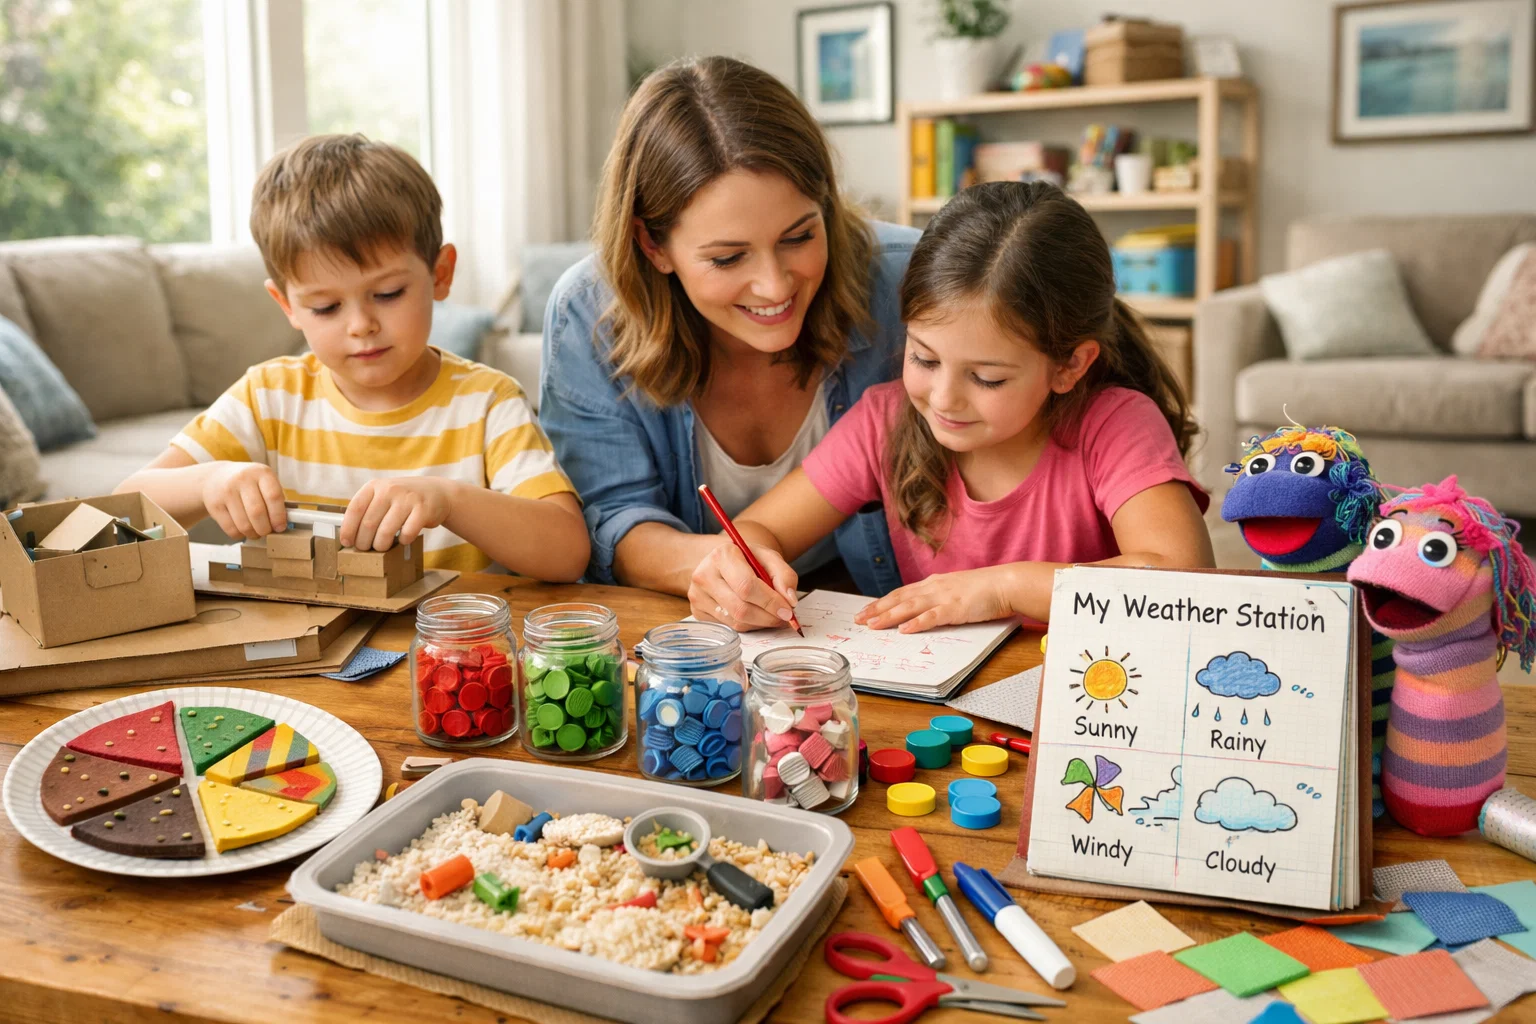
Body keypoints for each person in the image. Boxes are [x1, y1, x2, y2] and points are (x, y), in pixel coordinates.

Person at [687, 181, 1215, 632]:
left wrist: (1005, 588)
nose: (942, 399)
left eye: (987, 378)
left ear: (1069, 366)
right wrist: (745, 567)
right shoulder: (885, 421)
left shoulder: (1115, 425)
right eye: (924, 358)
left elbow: (1182, 579)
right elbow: (760, 530)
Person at [117, 134, 590, 581]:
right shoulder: (267, 398)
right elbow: (119, 506)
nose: (360, 324)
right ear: (287, 306)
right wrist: (208, 482)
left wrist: (450, 501)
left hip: (447, 654)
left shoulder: (488, 402)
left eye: (387, 293)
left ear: (441, 273)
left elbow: (567, 553)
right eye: (325, 307)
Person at [539, 56, 918, 604]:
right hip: (694, 635)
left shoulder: (907, 279)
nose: (774, 285)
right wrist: (714, 568)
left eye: (798, 237)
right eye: (727, 258)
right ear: (653, 245)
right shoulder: (587, 314)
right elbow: (613, 518)